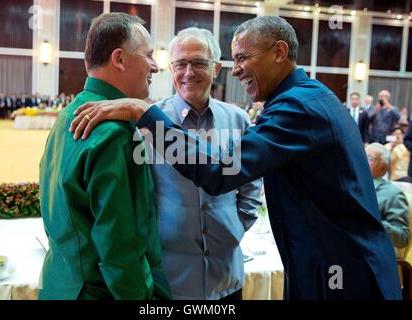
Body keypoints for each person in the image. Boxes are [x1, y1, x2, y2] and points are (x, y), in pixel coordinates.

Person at [70, 16, 402, 299]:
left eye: (243, 57)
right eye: (235, 59)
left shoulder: (297, 108)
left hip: (339, 273)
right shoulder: (304, 99)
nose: (237, 69)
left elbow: (219, 172)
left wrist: (142, 111)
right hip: (330, 267)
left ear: (279, 52)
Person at [38, 12, 171, 300]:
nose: (156, 66)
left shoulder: (68, 115)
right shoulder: (115, 133)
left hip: (61, 285)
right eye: (148, 55)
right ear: (119, 59)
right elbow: (121, 247)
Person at [151, 27, 262, 300]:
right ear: (171, 68)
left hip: (226, 277)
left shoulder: (237, 120)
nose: (189, 72)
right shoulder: (150, 124)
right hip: (171, 280)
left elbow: (251, 185)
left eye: (199, 62)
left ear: (216, 69)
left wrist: (235, 227)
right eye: (180, 64)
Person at [366, 143, 410, 249]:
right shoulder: (351, 184)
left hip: (369, 252)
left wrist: (374, 222)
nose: (362, 160)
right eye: (362, 155)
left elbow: (403, 238)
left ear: (383, 169)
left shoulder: (393, 195)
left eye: (369, 158)